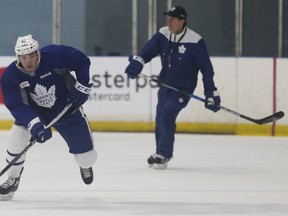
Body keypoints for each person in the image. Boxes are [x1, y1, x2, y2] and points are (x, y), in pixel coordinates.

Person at [0, 34, 97, 200]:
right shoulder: (11, 76)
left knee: (87, 158)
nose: (28, 61)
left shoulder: (54, 55)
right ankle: (13, 178)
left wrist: (82, 86)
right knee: (16, 139)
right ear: (18, 57)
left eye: (31, 55)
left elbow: (82, 61)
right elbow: (17, 105)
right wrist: (35, 125)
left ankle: (85, 165)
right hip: (36, 114)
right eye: (24, 57)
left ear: (38, 52)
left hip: (67, 110)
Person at [124, 6, 221, 169]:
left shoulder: (195, 41)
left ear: (182, 21)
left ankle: (165, 154)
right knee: (160, 116)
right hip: (165, 85)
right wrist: (137, 62)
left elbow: (206, 69)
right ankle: (159, 151)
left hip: (183, 90)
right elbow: (147, 51)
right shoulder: (163, 34)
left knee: (167, 115)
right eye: (168, 18)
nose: (168, 21)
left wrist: (210, 93)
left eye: (173, 19)